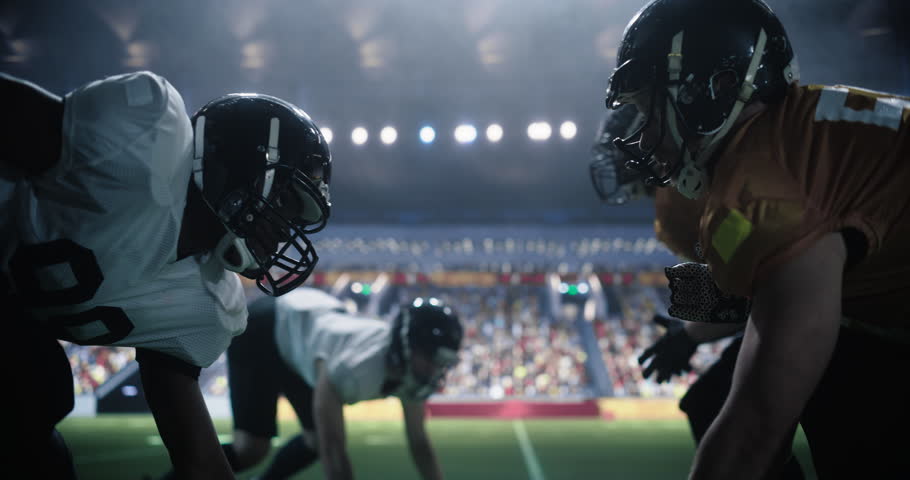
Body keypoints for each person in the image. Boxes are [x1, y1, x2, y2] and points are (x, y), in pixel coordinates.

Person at [603, 0, 910, 477]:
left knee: (823, 405)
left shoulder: (762, 185)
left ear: (715, 88)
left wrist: (691, 332)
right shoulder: (790, 138)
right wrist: (690, 331)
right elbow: (768, 288)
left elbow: (755, 427)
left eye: (649, 108)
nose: (642, 141)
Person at [1, 70, 332, 478]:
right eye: (285, 201)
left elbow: (198, 460)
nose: (284, 230)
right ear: (242, 165)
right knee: (39, 382)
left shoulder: (210, 303)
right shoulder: (148, 138)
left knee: (42, 425)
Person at [591, 104, 804, 479]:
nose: (618, 162)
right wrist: (690, 334)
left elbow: (756, 287)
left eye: (624, 149)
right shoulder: (699, 185)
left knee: (716, 410)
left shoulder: (684, 205)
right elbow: (751, 286)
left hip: (828, 298)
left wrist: (690, 336)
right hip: (809, 291)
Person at [161, 288, 462, 480]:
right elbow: (336, 454)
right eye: (432, 358)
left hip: (307, 339)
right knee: (251, 448)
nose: (437, 368)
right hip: (268, 327)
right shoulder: (355, 369)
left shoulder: (408, 369)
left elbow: (420, 444)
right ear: (409, 347)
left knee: (313, 442)